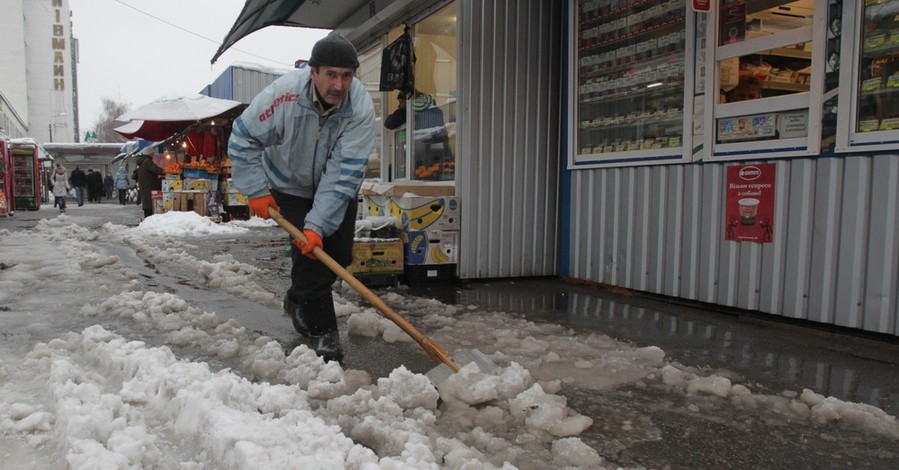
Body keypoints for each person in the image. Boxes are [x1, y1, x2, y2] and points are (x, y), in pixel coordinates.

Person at [228, 32, 375, 362]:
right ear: (313, 71)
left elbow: (343, 172)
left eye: (347, 75)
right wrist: (256, 190)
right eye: (331, 75)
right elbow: (242, 138)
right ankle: (323, 334)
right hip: (289, 186)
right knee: (312, 261)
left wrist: (318, 224)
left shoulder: (360, 108)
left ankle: (297, 299)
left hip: (336, 188)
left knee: (337, 256)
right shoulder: (282, 97)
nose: (339, 85)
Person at [135, 152, 163, 218]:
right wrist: (164, 171)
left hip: (145, 187)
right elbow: (155, 169)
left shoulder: (142, 162)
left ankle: (147, 219)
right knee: (150, 206)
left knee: (147, 206)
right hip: (150, 187)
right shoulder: (147, 162)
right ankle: (149, 220)